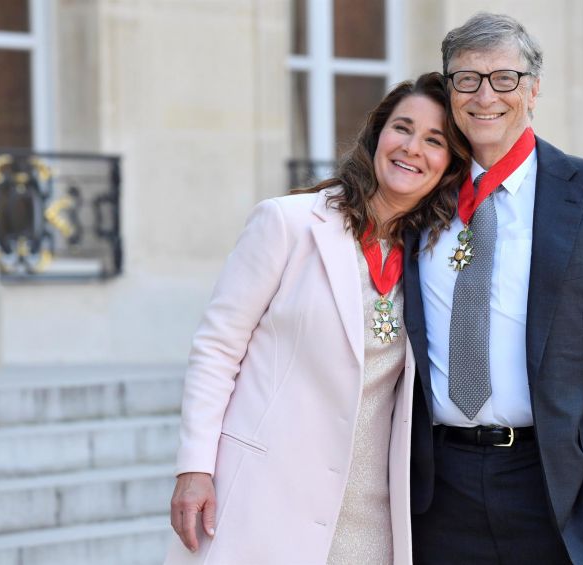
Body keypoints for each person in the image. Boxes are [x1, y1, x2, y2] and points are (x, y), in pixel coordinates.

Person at [166, 72, 470, 565]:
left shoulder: (429, 259)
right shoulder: (287, 223)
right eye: (403, 128)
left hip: (373, 513)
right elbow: (217, 349)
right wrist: (194, 467)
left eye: (434, 141)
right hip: (266, 494)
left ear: (449, 166)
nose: (413, 148)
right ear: (377, 135)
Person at [403, 13, 583, 565]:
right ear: (449, 92)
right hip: (437, 494)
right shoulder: (420, 200)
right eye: (466, 79)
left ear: (533, 89)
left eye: (504, 78)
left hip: (558, 486)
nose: (484, 95)